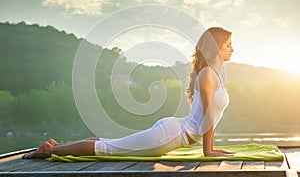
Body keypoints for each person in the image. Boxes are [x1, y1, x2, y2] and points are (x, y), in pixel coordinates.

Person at [23, 27, 234, 159]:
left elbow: (211, 117)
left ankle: (56, 145)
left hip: (175, 132)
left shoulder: (213, 75)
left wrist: (209, 149)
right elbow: (208, 115)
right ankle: (49, 151)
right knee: (108, 148)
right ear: (216, 48)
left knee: (111, 143)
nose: (232, 49)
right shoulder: (207, 74)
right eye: (228, 45)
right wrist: (209, 151)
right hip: (172, 134)